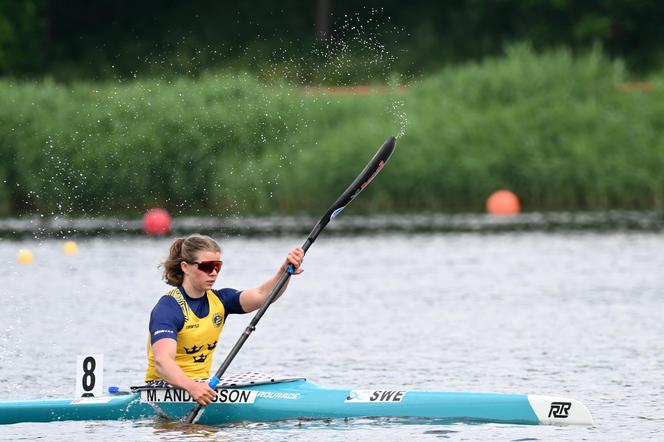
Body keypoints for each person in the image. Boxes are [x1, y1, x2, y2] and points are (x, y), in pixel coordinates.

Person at [145, 234, 304, 405]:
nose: (213, 273)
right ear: (185, 267)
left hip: (201, 386)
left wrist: (284, 272)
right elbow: (162, 362)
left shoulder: (220, 300)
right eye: (206, 267)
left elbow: (263, 295)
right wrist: (191, 387)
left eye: (217, 266)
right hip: (163, 389)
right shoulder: (169, 308)